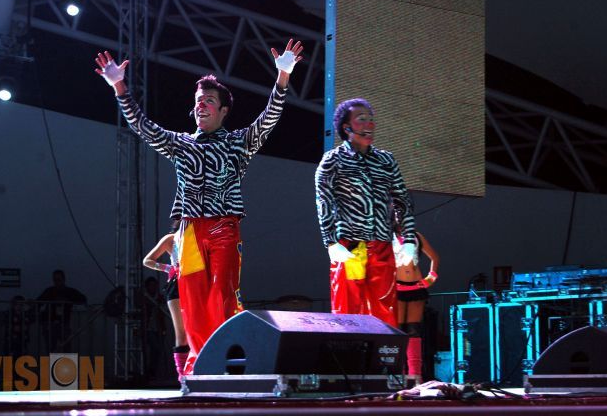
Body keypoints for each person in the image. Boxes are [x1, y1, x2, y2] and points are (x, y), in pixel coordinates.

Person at [95, 39, 303, 375]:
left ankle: (230, 364)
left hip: (223, 229)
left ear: (223, 110)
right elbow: (142, 127)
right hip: (189, 233)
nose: (202, 105)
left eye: (209, 100)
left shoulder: (238, 143)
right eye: (198, 101)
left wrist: (282, 78)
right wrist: (119, 86)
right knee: (191, 304)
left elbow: (269, 119)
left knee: (222, 297)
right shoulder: (182, 144)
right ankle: (199, 367)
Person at [315, 98, 417, 327]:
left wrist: (409, 239)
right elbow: (324, 202)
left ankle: (384, 362)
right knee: (347, 312)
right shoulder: (332, 160)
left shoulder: (386, 160)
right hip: (349, 247)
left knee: (386, 312)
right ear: (346, 127)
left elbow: (402, 201)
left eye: (371, 120)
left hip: (381, 247)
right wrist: (330, 242)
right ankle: (347, 361)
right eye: (362, 120)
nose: (370, 125)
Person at [394, 231, 439, 385]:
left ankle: (415, 376)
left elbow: (434, 257)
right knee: (398, 331)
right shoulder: (385, 235)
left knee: (414, 331)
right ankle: (399, 376)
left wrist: (430, 279)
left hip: (415, 288)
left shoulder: (416, 236)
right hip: (396, 288)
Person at [142, 234, 188, 382]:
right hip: (178, 285)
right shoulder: (172, 239)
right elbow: (147, 260)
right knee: (181, 333)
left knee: (197, 330)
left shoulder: (201, 234)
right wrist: (168, 268)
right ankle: (183, 376)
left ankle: (199, 370)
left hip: (197, 284)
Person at [36, 269, 87, 353]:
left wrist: (67, 300)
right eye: (55, 280)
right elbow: (39, 302)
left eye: (58, 279)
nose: (57, 282)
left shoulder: (69, 292)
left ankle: (65, 365)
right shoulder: (50, 291)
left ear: (63, 279)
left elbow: (83, 299)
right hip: (50, 324)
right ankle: (52, 365)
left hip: (64, 324)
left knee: (66, 347)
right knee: (51, 348)